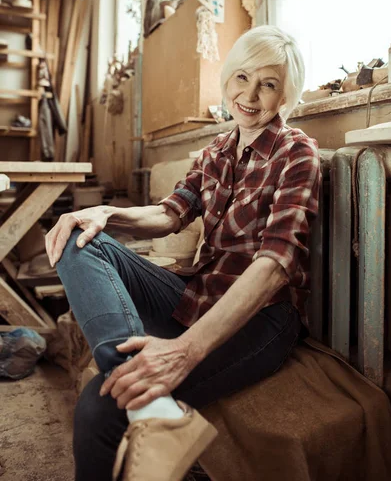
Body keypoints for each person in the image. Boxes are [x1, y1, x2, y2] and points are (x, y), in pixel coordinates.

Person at [46, 25, 321, 481]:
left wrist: (184, 352)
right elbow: (171, 213)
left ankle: (144, 399)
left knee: (101, 406)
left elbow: (275, 269)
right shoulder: (217, 150)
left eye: (268, 84)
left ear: (284, 96)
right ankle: (151, 401)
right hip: (197, 293)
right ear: (228, 77)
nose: (250, 94)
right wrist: (103, 213)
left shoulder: (297, 153)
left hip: (262, 319)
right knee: (79, 236)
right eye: (242, 77)